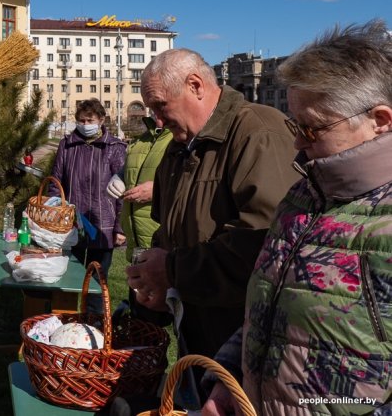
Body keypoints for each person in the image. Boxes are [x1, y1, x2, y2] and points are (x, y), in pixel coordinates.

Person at [202, 21, 392, 415]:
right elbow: (271, 306)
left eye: (312, 128)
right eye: (295, 124)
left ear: (380, 120)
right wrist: (230, 379)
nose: (297, 142)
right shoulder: (301, 196)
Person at [126, 49, 299, 371]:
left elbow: (267, 245)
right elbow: (168, 229)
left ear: (195, 85)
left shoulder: (258, 133)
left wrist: (173, 270)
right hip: (198, 329)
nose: (158, 121)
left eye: (161, 105)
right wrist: (156, 282)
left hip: (246, 343)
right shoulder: (180, 147)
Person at [50, 98, 127, 315]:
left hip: (103, 224)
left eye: (90, 120)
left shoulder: (114, 148)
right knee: (67, 273)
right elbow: (56, 182)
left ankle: (95, 324)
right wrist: (55, 213)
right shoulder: (67, 144)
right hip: (72, 224)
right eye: (81, 120)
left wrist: (120, 228)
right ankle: (63, 318)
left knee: (96, 279)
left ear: (101, 120)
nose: (85, 124)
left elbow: (122, 191)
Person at [107, 115, 173, 260]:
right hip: (135, 241)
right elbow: (130, 168)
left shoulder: (180, 139)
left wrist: (158, 190)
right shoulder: (141, 140)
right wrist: (119, 177)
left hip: (163, 244)